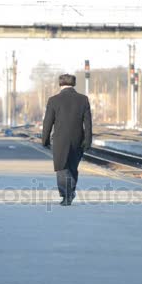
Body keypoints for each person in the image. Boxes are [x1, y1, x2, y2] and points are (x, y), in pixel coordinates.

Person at [42, 74, 92, 206]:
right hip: (78, 139)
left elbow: (48, 122)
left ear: (60, 84)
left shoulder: (53, 100)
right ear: (73, 84)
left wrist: (45, 140)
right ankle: (71, 192)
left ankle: (66, 195)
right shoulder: (83, 99)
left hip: (60, 140)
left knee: (62, 167)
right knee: (73, 167)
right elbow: (88, 122)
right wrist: (88, 140)